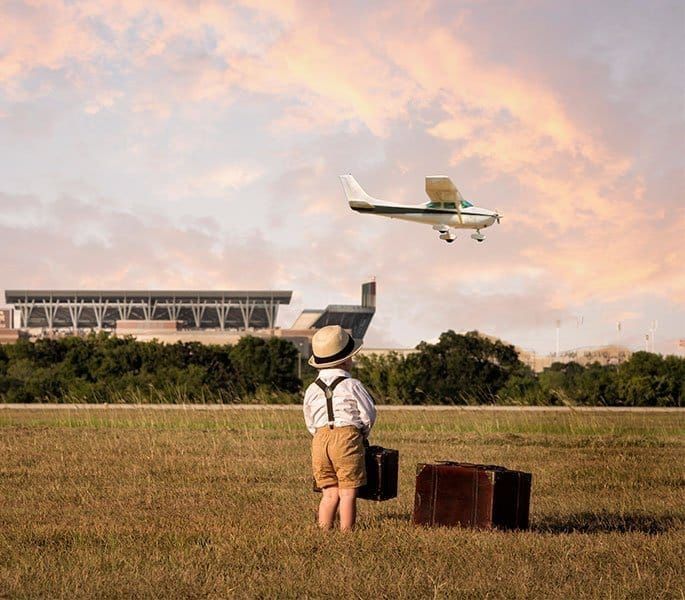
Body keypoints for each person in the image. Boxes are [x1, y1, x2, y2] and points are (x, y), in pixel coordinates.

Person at [303, 325, 376, 531]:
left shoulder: (311, 388)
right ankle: (347, 532)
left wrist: (320, 434)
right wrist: (362, 432)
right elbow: (368, 414)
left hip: (319, 440)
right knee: (347, 492)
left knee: (329, 492)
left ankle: (324, 529)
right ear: (346, 360)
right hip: (346, 437)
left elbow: (309, 419)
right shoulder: (352, 384)